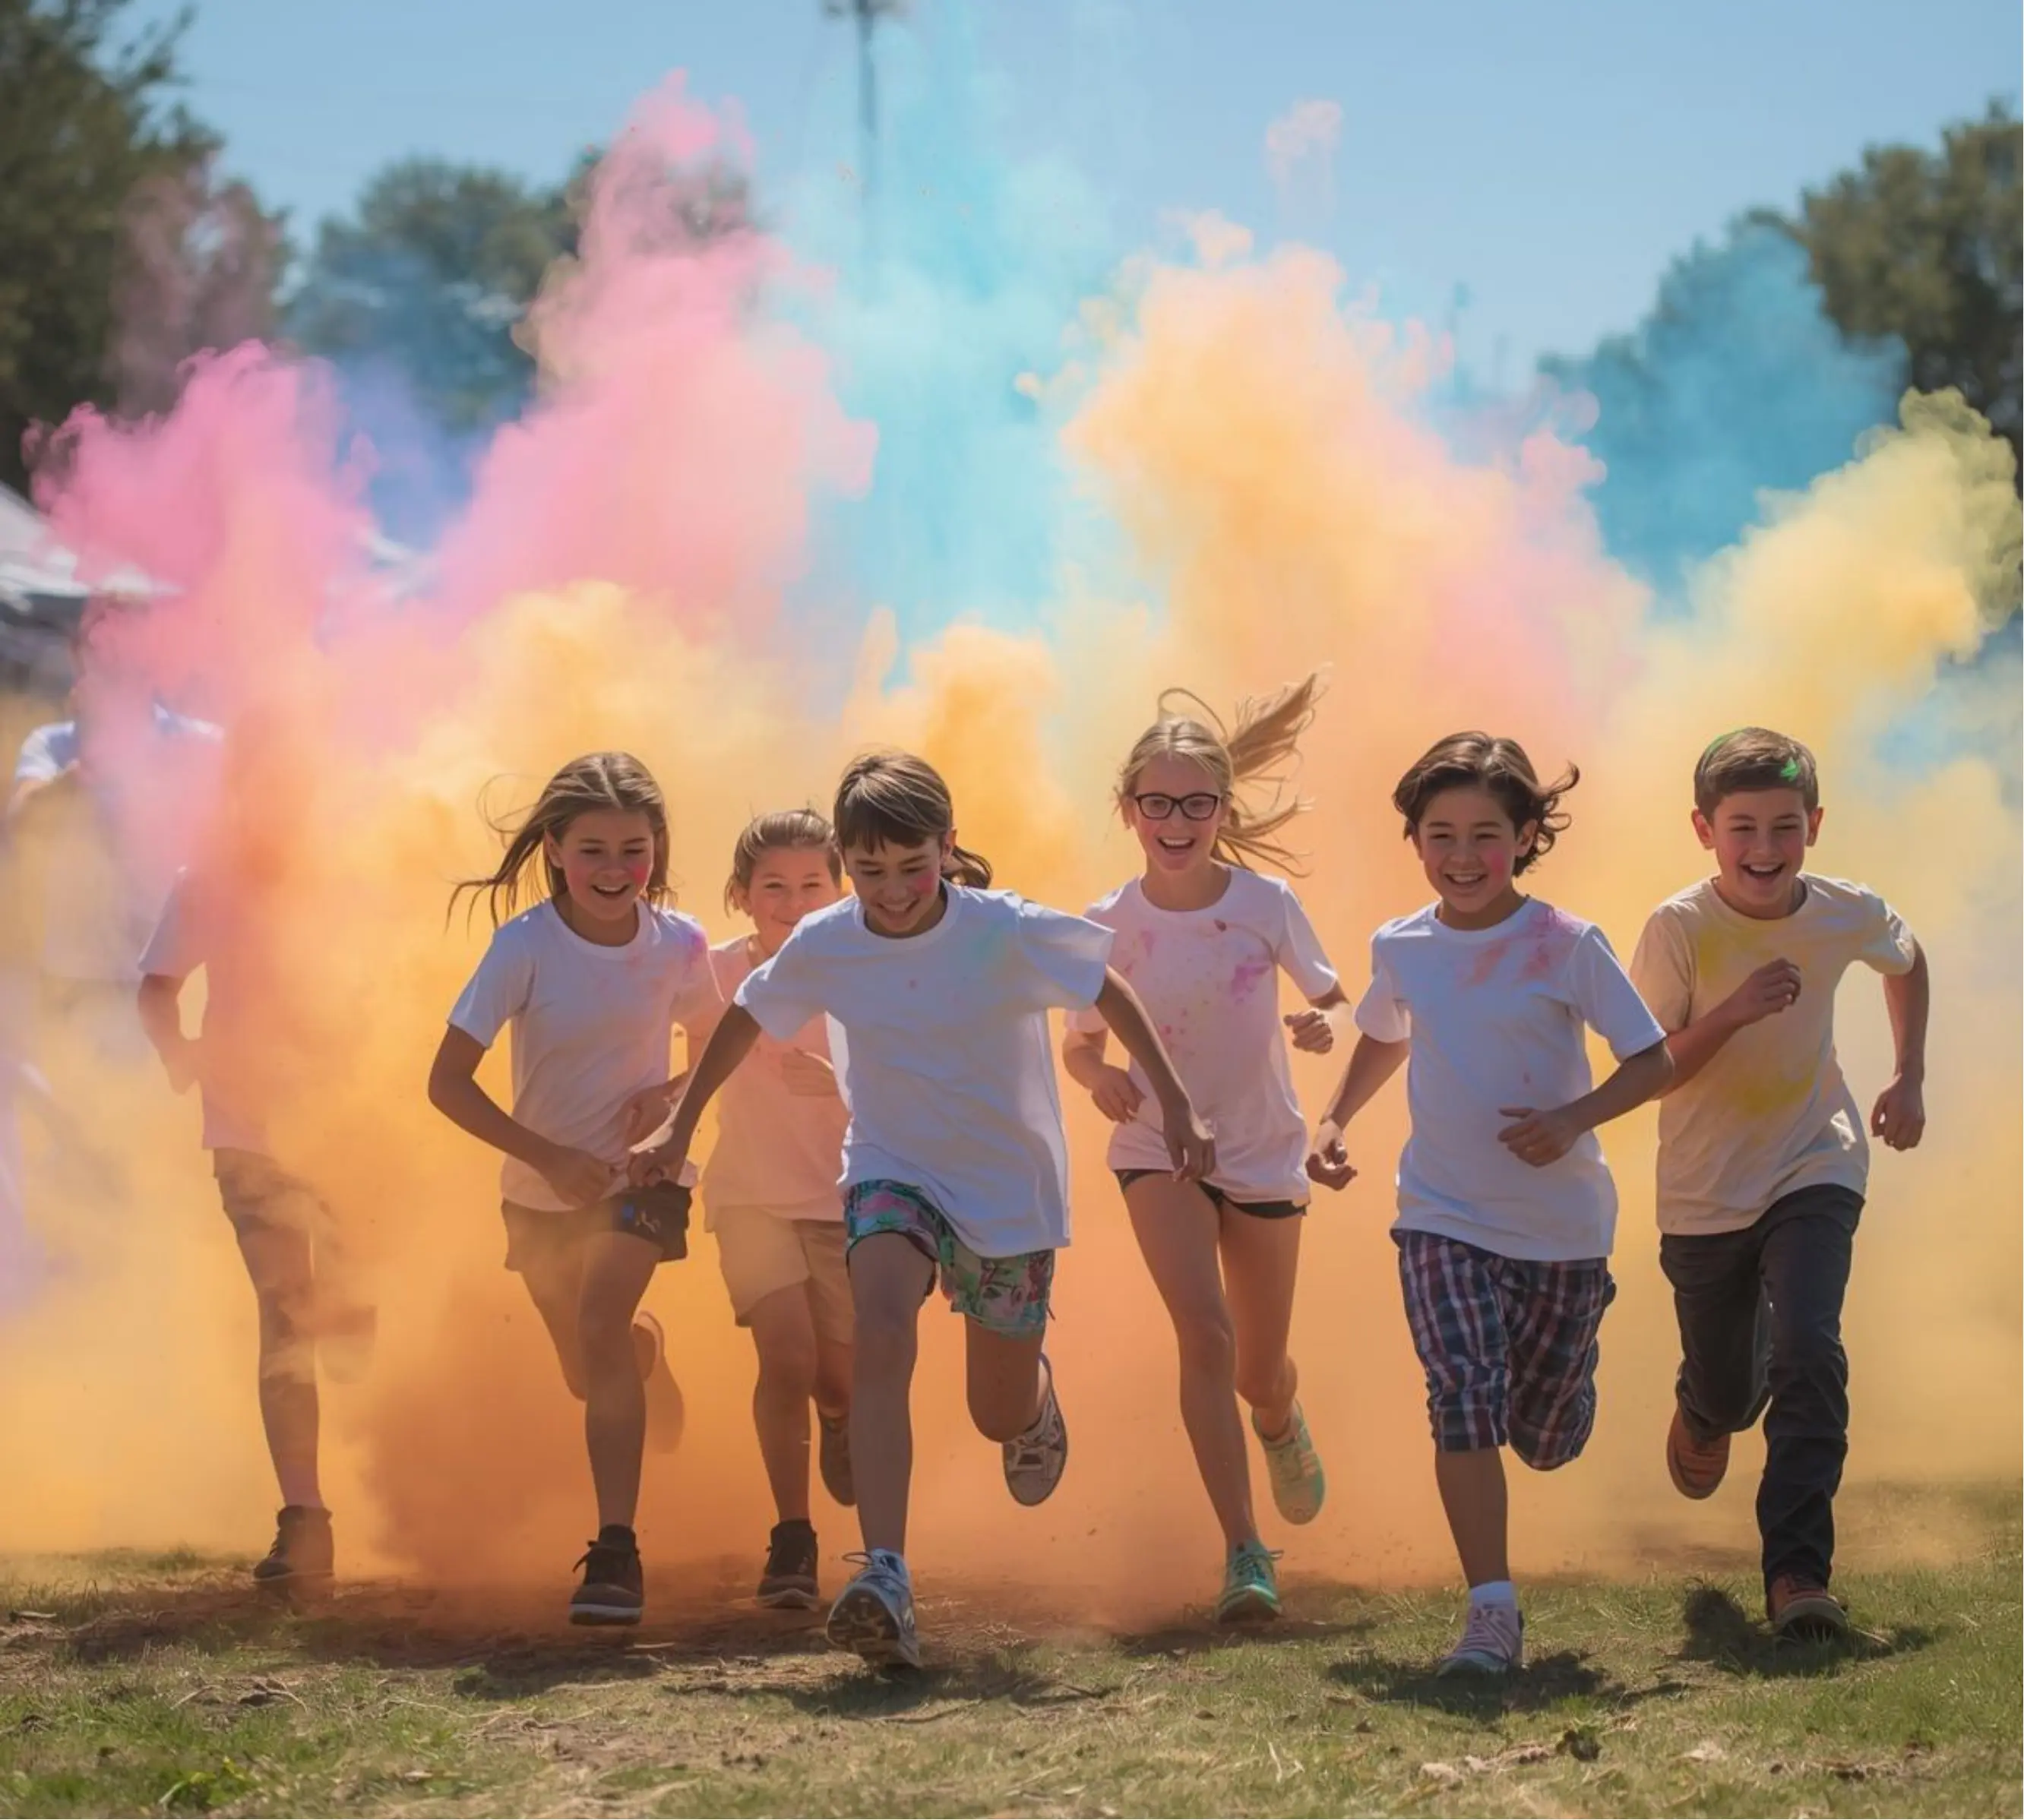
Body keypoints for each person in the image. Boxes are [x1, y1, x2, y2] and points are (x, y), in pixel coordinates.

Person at [633, 750, 1214, 1669]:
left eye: (913, 866)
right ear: (849, 863)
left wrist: (1176, 1102)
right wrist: (679, 1122)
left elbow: (1107, 985)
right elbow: (748, 1011)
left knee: (994, 1408)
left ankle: (1032, 1404)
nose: (893, 890)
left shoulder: (1003, 929)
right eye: (870, 871)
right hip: (890, 1168)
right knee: (882, 1328)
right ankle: (888, 1574)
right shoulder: (828, 938)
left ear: (948, 846)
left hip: (1005, 1188)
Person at [1308, 732, 1671, 1676]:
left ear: (1524, 838)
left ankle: (1569, 1380)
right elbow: (1385, 1032)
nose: (1462, 857)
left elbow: (1653, 1057)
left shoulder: (1566, 942)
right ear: (1416, 842)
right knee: (1462, 1390)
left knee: (1544, 1438)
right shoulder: (1403, 944)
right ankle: (1491, 1610)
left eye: (1484, 835)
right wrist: (1336, 1116)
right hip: (1441, 1213)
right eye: (1441, 835)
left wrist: (1573, 1117)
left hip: (1561, 1229)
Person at [1629, 728, 1927, 1641]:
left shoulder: (1845, 908)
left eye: (1784, 826)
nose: (1765, 848)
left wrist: (1909, 1073)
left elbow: (1907, 961)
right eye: (1743, 827)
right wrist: (1735, 1010)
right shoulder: (1677, 928)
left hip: (1816, 1162)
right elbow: (1647, 1067)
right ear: (1704, 829)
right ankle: (1706, 1402)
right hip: (1705, 1190)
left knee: (1808, 1344)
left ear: (1815, 825)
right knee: (1728, 1392)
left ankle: (1798, 1571)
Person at [1061, 676, 1344, 1623]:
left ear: (1222, 809)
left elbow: (1332, 999)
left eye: (1195, 802)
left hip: (1263, 1149)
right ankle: (1245, 1549)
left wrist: (1320, 1026)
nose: (1175, 819)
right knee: (1206, 1335)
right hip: (1156, 1147)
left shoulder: (1266, 903)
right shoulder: (1104, 922)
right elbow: (1079, 1040)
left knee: (1258, 1367)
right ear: (1129, 809)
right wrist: (1099, 1080)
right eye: (1157, 802)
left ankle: (1278, 1418)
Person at [427, 751, 714, 1626]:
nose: (617, 870)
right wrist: (548, 1155)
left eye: (634, 849)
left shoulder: (682, 942)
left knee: (595, 1323)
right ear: (554, 847)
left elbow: (712, 1046)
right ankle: (642, 1355)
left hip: (643, 1179)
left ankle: (616, 1551)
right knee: (589, 1367)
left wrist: (669, 1109)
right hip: (541, 1189)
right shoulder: (523, 946)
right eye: (593, 850)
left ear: (658, 849)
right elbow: (447, 1082)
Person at [138, 862, 375, 1590]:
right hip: (248, 1140)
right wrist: (183, 1059)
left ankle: (405, 1474)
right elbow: (157, 987)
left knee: (347, 1323)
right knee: (285, 1315)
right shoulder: (206, 880)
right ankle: (304, 1518)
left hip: (356, 1132)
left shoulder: (358, 848)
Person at [647, 810, 857, 1610]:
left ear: (840, 891)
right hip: (748, 1196)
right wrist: (664, 1110)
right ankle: (793, 1536)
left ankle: (838, 1418)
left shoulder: (859, 970)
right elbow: (694, 1053)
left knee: (837, 1380)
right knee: (787, 1355)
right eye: (774, 885)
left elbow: (917, 1081)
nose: (793, 900)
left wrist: (839, 1083)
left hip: (843, 1200)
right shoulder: (720, 972)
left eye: (812, 884)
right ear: (740, 894)